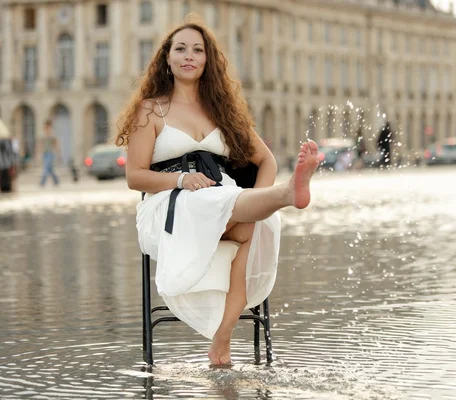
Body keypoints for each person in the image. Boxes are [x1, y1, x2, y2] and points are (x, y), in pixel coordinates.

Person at [115, 15, 319, 366]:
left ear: (208, 60)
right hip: (169, 205)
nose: (189, 55)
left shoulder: (222, 111)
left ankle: (221, 341)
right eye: (180, 49)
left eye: (198, 50)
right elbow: (135, 177)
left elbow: (265, 160)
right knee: (220, 204)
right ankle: (286, 195)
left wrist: (253, 202)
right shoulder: (150, 110)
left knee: (259, 225)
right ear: (167, 58)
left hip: (222, 200)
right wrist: (181, 180)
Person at [38, 120, 60, 187]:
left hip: (51, 153)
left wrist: (59, 154)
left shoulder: (52, 135)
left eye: (46, 126)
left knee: (46, 167)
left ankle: (42, 182)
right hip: (45, 153)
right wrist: (39, 153)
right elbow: (39, 144)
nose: (45, 127)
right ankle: (56, 181)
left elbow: (56, 144)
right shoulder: (42, 134)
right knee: (50, 169)